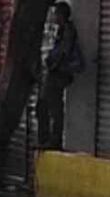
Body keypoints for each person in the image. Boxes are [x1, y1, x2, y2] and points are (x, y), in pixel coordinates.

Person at [36, 1, 84, 150]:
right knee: (44, 104)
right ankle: (46, 139)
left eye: (56, 14)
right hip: (56, 73)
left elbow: (64, 52)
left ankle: (54, 140)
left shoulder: (68, 31)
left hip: (59, 74)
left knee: (52, 105)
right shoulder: (61, 30)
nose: (54, 17)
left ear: (61, 15)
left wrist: (52, 63)